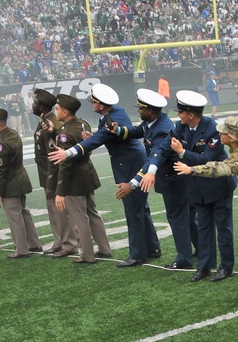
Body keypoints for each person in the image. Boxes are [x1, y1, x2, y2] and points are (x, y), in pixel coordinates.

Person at [50, 83, 160, 267]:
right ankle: (152, 247)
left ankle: (138, 254)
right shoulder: (115, 113)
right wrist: (93, 137)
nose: (92, 104)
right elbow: (101, 137)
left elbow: (97, 140)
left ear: (100, 105)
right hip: (133, 160)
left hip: (130, 165)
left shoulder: (112, 117)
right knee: (141, 208)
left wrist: (67, 153)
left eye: (94, 102)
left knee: (134, 211)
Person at [173, 116, 238, 287]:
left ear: (232, 136)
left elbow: (221, 167)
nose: (219, 133)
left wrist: (191, 169)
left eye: (223, 132)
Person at [153, 90, 236, 282]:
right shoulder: (179, 127)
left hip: (218, 186)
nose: (178, 115)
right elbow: (164, 148)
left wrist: (182, 153)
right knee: (204, 228)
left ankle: (226, 267)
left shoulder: (213, 130)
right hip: (196, 188)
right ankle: (204, 267)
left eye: (181, 111)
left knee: (223, 229)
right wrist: (150, 169)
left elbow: (207, 159)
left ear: (191, 114)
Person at [118, 88, 194, 269]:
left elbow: (155, 157)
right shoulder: (153, 123)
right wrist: (119, 130)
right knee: (187, 218)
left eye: (141, 108)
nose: (138, 110)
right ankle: (200, 249)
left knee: (177, 219)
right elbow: (138, 131)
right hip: (173, 178)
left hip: (173, 180)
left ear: (150, 111)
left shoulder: (161, 130)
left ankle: (184, 259)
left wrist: (134, 182)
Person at [52, 94, 112, 265]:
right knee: (93, 213)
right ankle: (105, 248)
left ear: (65, 111)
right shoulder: (83, 123)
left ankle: (87, 255)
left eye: (58, 109)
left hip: (74, 179)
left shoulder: (65, 133)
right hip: (87, 173)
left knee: (80, 220)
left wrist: (60, 192)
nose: (56, 111)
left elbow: (65, 163)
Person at [0, 106, 44, 259]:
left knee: (15, 217)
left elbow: (1, 171)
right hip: (20, 179)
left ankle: (21, 249)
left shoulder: (2, 142)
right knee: (24, 213)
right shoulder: (11, 134)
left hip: (10, 184)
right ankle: (34, 244)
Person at [32, 88, 78, 258]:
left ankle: (69, 243)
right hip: (45, 172)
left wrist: (52, 180)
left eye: (36, 103)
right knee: (53, 210)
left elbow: (53, 154)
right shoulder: (44, 120)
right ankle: (59, 241)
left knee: (60, 210)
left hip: (53, 173)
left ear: (42, 107)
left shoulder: (52, 123)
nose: (33, 105)